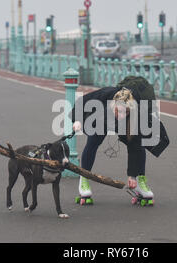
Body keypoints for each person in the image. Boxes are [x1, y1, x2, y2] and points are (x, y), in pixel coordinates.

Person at [70, 76, 169, 206]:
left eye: (125, 112)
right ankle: (84, 178)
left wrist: (132, 175)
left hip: (130, 123)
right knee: (93, 142)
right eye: (119, 111)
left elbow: (135, 147)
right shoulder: (108, 94)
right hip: (102, 117)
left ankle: (140, 181)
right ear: (114, 104)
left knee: (139, 143)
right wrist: (77, 120)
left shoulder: (136, 114)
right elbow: (83, 102)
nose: (121, 115)